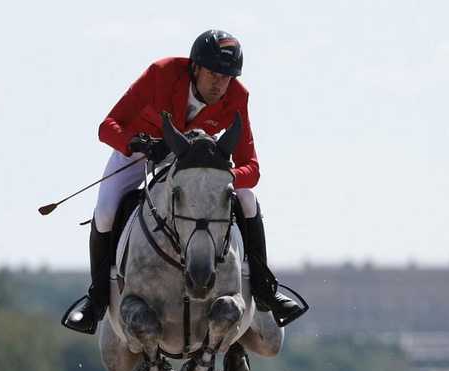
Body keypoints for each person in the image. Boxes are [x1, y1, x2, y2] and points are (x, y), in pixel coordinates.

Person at [63, 29, 305, 335]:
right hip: (140, 152)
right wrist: (139, 143)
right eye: (214, 74)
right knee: (107, 210)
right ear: (195, 68)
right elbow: (107, 127)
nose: (220, 84)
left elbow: (252, 168)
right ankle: (95, 301)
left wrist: (226, 177)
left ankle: (264, 289)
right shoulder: (161, 74)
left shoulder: (237, 97)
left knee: (247, 198)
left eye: (227, 76)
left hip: (196, 162)